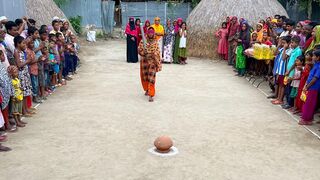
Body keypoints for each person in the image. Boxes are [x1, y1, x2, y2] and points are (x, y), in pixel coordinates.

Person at [138, 27, 162, 102]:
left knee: (151, 78)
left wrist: (151, 54)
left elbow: (158, 52)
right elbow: (139, 49)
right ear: (147, 33)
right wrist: (143, 53)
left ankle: (151, 94)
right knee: (145, 77)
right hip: (145, 61)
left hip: (152, 62)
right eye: (149, 33)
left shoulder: (156, 42)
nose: (151, 34)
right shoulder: (143, 41)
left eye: (152, 33)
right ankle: (147, 89)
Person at [14, 36, 34, 117]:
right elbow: (19, 65)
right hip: (21, 75)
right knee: (23, 93)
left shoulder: (22, 51)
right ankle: (24, 111)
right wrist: (28, 61)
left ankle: (26, 109)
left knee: (26, 93)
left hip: (25, 74)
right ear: (18, 44)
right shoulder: (16, 52)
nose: (25, 45)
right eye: (23, 43)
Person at [299, 50, 320, 125]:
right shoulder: (316, 64)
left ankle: (307, 119)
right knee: (308, 102)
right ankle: (308, 117)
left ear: (318, 57)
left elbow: (315, 78)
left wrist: (307, 86)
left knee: (309, 103)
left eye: (314, 56)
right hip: (311, 86)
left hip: (314, 87)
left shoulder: (319, 66)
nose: (312, 57)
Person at [282, 36, 302, 109]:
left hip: (292, 72)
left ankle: (289, 104)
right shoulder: (293, 50)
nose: (291, 44)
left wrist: (289, 71)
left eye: (292, 43)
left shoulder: (298, 51)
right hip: (289, 71)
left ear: (296, 43)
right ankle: (287, 102)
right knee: (287, 87)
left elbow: (295, 63)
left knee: (290, 88)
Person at [0, 50, 15, 132]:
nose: (4, 57)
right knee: (4, 108)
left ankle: (7, 121)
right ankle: (6, 124)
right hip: (2, 90)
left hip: (6, 89)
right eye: (2, 56)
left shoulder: (1, 64)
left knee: (7, 106)